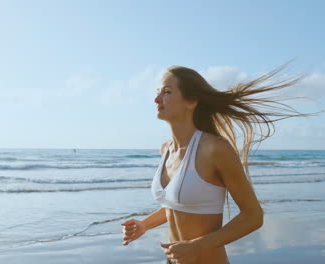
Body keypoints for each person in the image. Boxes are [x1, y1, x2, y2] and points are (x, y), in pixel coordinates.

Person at [120, 60, 323, 264]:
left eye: (167, 92)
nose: (157, 99)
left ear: (191, 102)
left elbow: (253, 216)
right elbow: (179, 206)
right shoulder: (165, 149)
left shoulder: (215, 149)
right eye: (158, 91)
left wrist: (196, 246)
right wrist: (145, 224)